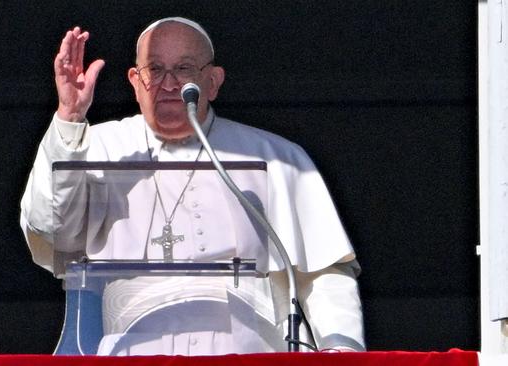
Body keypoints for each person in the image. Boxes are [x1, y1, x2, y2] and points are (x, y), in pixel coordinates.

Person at [20, 17, 365, 355]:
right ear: (135, 81)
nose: (168, 83)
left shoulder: (275, 156)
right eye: (154, 69)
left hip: (251, 350)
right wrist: (69, 116)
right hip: (130, 349)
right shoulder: (96, 147)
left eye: (184, 69)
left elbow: (323, 272)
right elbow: (52, 230)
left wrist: (342, 350)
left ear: (213, 82)